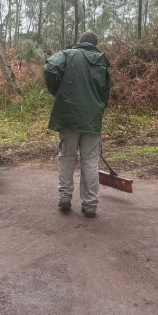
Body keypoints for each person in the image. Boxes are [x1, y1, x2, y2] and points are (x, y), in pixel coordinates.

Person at [44, 31, 111, 218]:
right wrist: (98, 108)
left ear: (79, 42)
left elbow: (50, 67)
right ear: (95, 45)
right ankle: (90, 205)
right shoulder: (102, 61)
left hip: (68, 116)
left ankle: (65, 197)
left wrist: (56, 91)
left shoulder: (68, 54)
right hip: (92, 118)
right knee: (90, 160)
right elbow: (106, 93)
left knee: (66, 156)